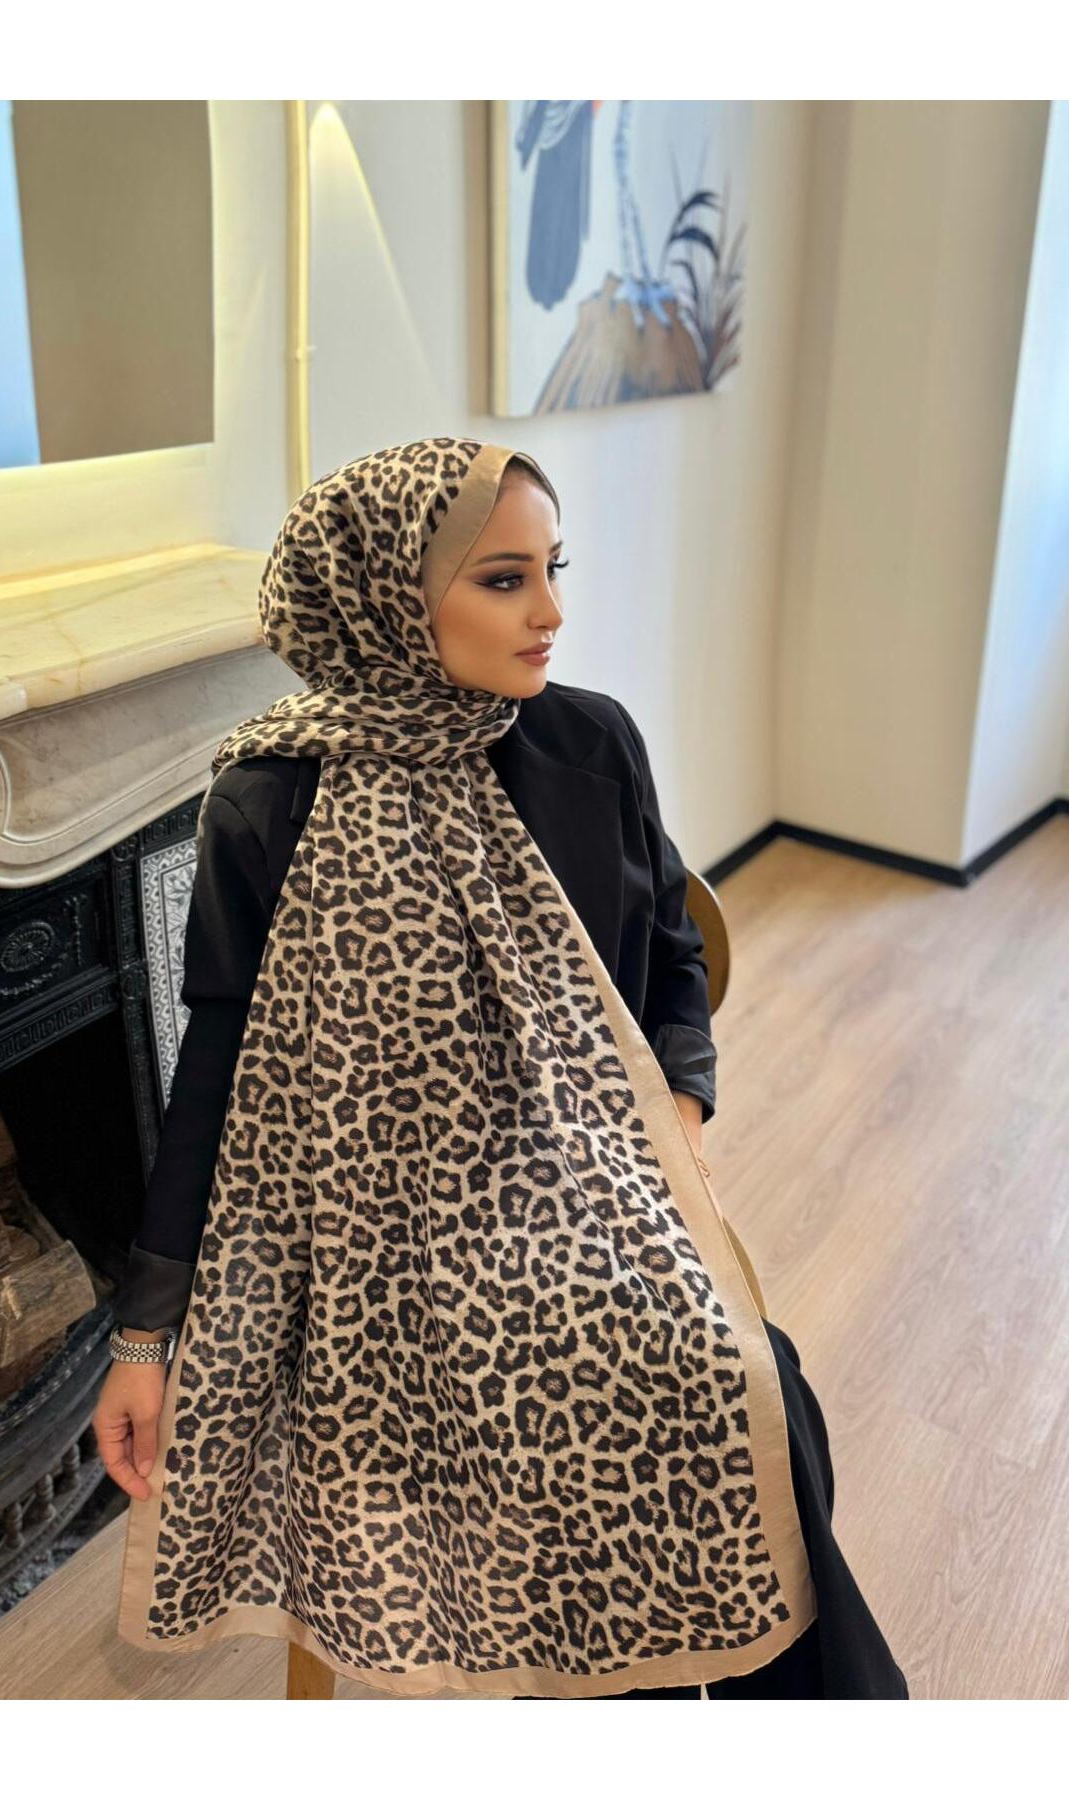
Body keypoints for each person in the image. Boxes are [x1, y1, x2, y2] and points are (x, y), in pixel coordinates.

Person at [94, 437, 908, 1700]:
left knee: (744, 1389)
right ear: (385, 599)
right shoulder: (271, 802)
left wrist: (679, 1108)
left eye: (553, 570)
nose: (552, 613)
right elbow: (219, 1071)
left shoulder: (589, 745)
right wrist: (146, 1337)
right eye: (504, 579)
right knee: (622, 1408)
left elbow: (675, 955)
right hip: (368, 1234)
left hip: (584, 1176)